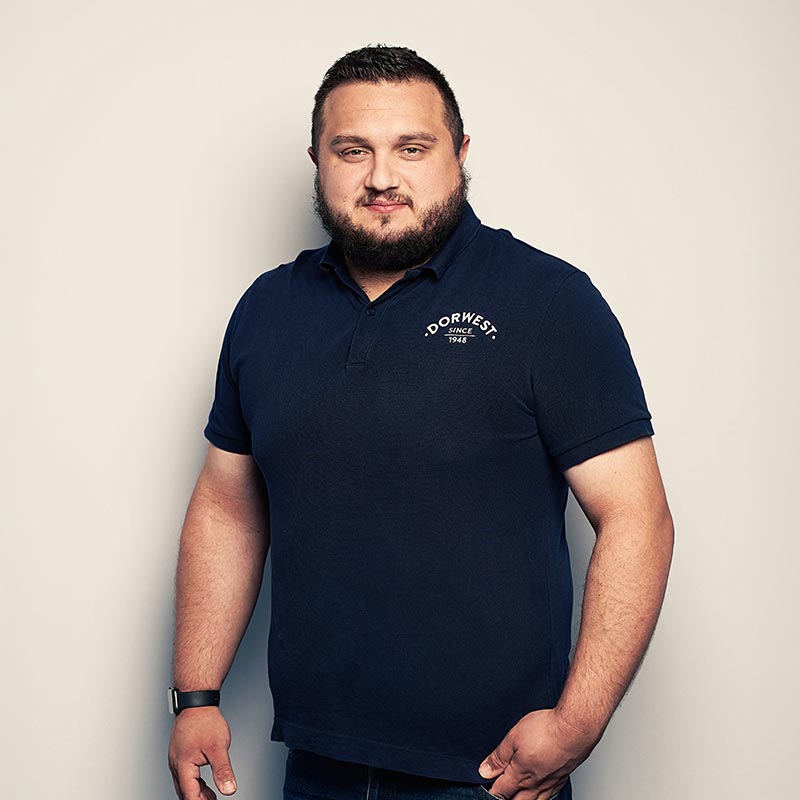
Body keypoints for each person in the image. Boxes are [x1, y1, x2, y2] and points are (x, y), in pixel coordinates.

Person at [167, 45, 674, 800]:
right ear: (317, 160)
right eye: (352, 150)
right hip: (317, 762)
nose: (381, 177)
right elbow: (227, 508)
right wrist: (196, 696)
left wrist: (578, 721)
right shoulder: (267, 310)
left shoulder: (547, 302)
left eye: (412, 148)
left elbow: (636, 516)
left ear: (459, 154)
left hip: (492, 773)